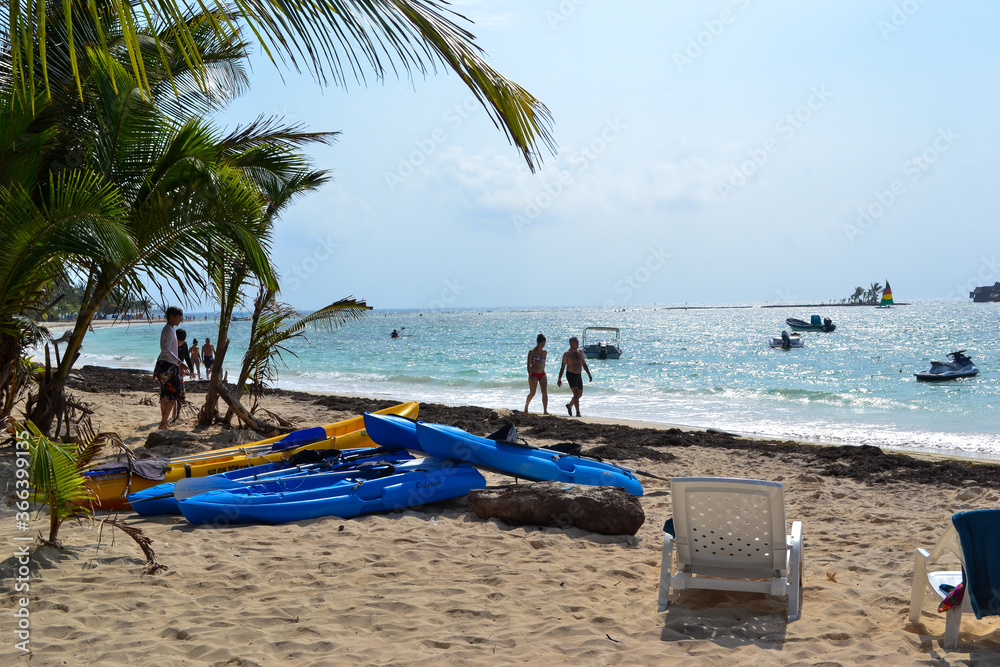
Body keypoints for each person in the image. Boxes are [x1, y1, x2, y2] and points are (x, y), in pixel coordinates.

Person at [153, 307, 184, 429]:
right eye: (178, 318)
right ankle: (163, 422)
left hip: (164, 364)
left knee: (165, 395)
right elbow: (165, 350)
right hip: (169, 366)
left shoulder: (169, 329)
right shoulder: (169, 330)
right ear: (171, 317)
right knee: (176, 394)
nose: (180, 321)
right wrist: (179, 362)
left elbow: (163, 352)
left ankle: (164, 423)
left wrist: (156, 369)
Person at [557, 336, 592, 417]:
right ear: (571, 343)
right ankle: (578, 412)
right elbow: (562, 367)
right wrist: (559, 378)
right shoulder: (567, 354)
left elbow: (584, 364)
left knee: (579, 394)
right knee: (576, 392)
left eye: (578, 342)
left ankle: (569, 406)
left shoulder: (580, 352)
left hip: (578, 375)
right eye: (576, 342)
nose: (578, 343)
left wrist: (589, 374)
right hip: (570, 374)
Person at [524, 333, 549, 414]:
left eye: (544, 344)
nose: (543, 346)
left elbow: (543, 363)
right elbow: (528, 364)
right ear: (538, 342)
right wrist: (529, 374)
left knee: (544, 392)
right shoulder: (532, 352)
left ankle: (545, 410)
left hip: (542, 374)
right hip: (533, 374)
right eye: (542, 344)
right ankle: (526, 406)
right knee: (532, 393)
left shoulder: (545, 352)